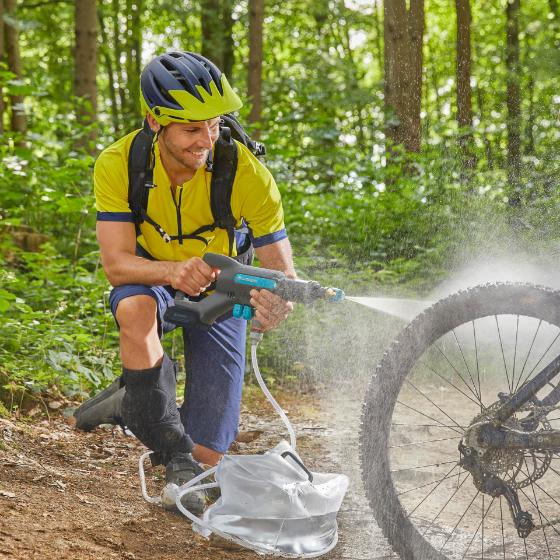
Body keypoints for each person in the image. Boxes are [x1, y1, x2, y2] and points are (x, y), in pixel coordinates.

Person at [75, 51, 295, 511]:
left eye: (213, 125)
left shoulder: (247, 174)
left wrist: (277, 301)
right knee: (136, 309)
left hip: (222, 289)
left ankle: (133, 402)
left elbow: (280, 273)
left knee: (208, 460)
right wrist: (173, 271)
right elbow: (117, 264)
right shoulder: (118, 163)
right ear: (155, 122)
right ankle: (167, 441)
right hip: (151, 275)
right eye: (192, 129)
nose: (207, 140)